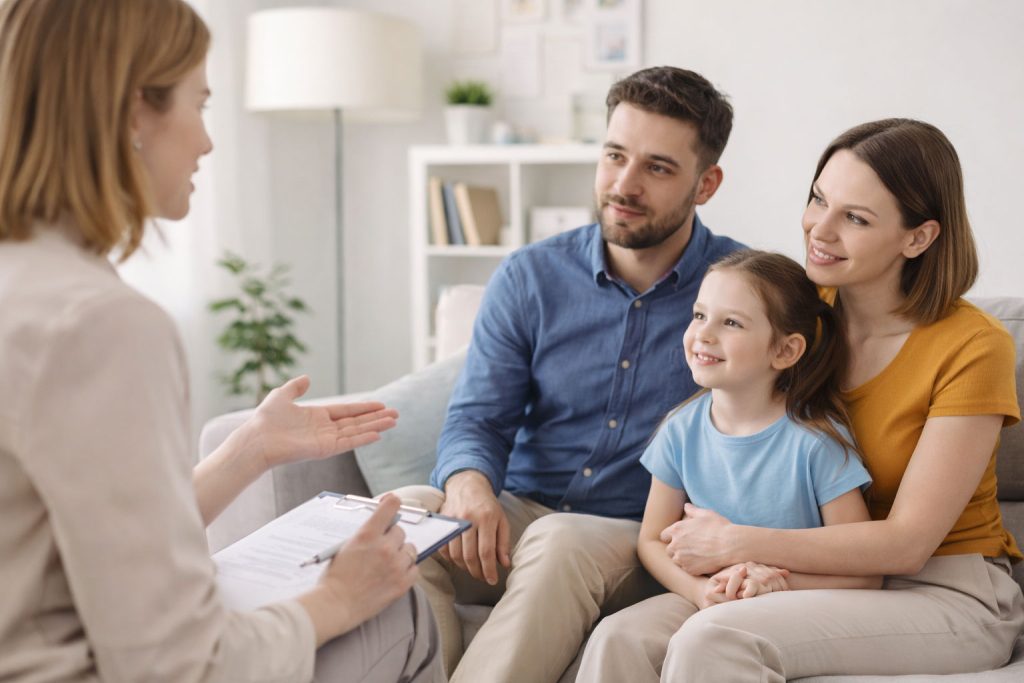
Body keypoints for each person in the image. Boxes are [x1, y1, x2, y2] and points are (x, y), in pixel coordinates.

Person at [0, 1, 443, 681]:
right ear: (131, 113)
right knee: (398, 610)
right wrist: (336, 597)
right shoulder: (100, 324)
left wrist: (250, 449)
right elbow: (177, 666)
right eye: (199, 104)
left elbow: (84, 539)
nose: (208, 142)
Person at [395, 66, 744, 682]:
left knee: (559, 542)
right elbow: (480, 415)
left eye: (658, 168)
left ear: (706, 183)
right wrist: (470, 483)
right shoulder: (531, 275)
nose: (624, 185)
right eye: (614, 156)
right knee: (401, 515)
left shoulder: (744, 292)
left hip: (637, 535)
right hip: (522, 513)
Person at [651, 119, 1024, 680]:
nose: (819, 230)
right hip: (803, 576)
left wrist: (731, 543)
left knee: (718, 638)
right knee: (627, 638)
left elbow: (906, 545)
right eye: (819, 200)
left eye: (855, 217)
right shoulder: (800, 315)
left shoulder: (972, 346)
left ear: (918, 237)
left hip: (946, 590)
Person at [576, 249, 882, 680]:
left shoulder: (817, 443)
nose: (704, 334)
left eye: (731, 323)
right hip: (708, 594)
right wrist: (699, 592)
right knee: (615, 635)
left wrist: (778, 583)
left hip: (792, 601)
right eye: (700, 315)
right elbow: (651, 541)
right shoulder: (680, 430)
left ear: (785, 350)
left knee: (705, 641)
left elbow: (866, 574)